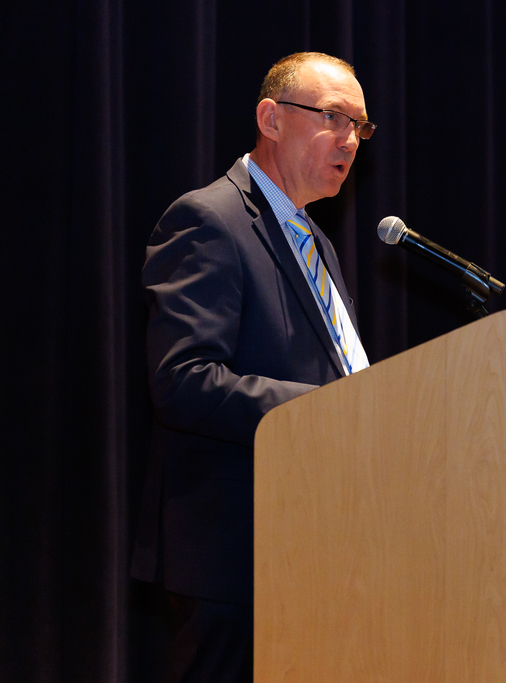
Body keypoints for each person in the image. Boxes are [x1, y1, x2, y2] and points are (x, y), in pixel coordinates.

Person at [130, 52, 373, 682]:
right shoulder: (210, 220)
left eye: (360, 127)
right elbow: (181, 380)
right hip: (234, 552)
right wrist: (329, 410)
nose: (350, 140)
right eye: (334, 119)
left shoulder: (314, 240)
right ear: (271, 117)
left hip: (311, 542)